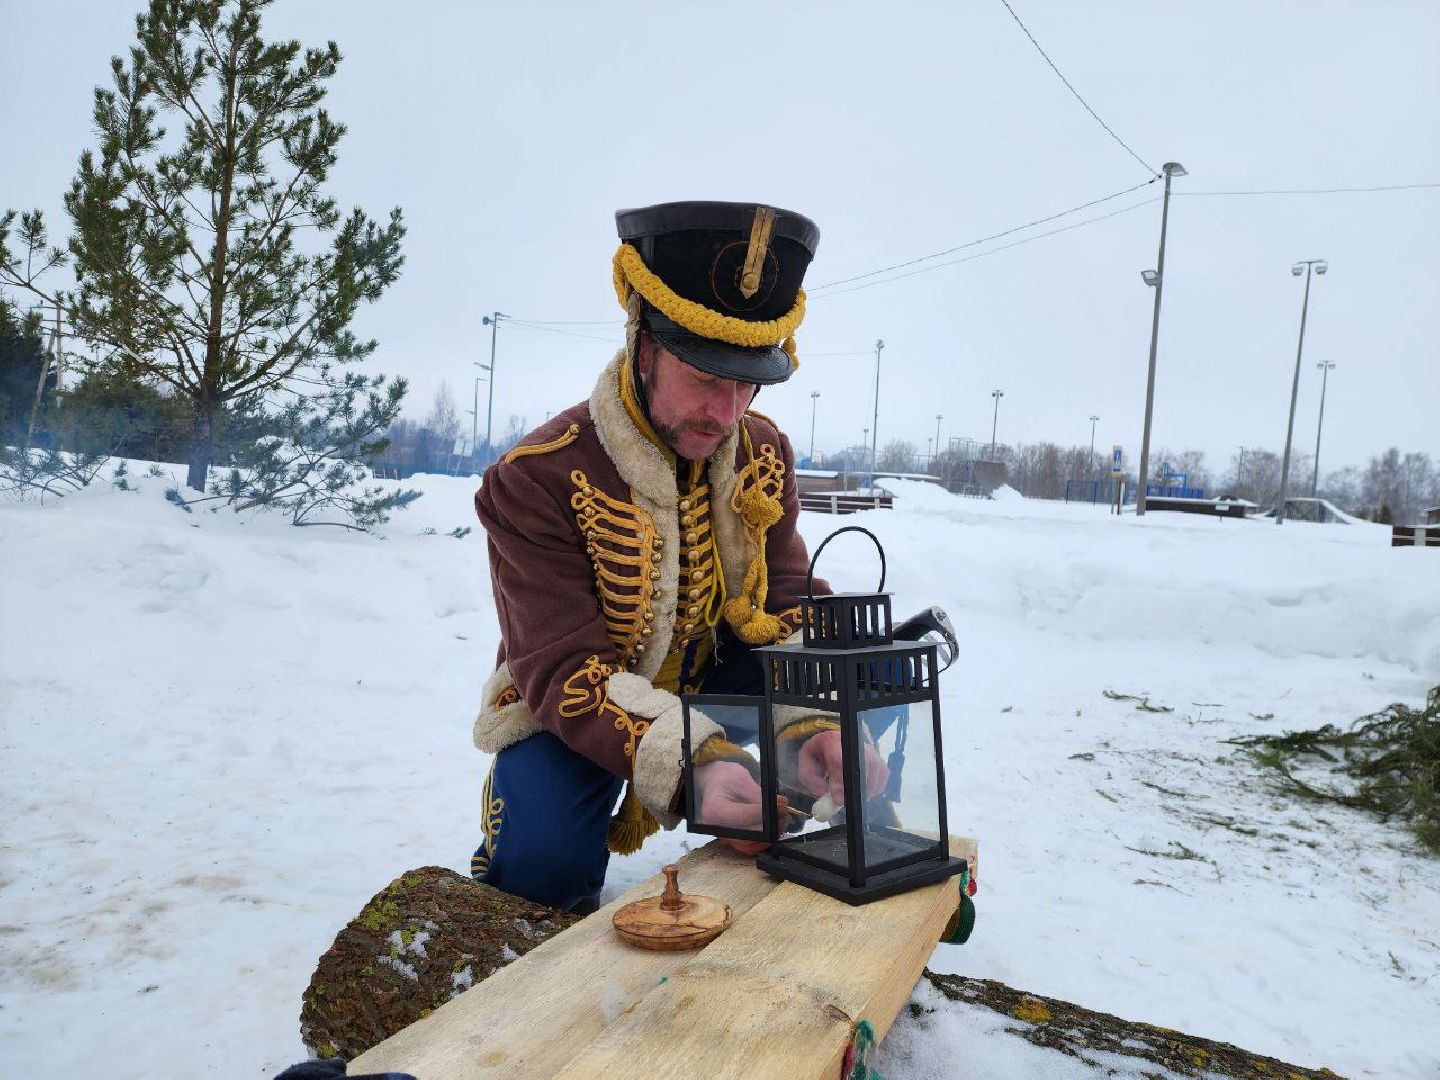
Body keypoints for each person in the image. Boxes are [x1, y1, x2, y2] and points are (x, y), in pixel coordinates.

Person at [468, 200, 889, 913]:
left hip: (718, 671)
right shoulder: (535, 477)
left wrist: (816, 722)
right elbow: (565, 668)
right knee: (540, 867)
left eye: (747, 382)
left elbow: (786, 602)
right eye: (705, 377)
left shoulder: (763, 451)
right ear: (643, 343)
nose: (728, 414)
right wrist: (697, 760)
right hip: (579, 693)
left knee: (863, 688)